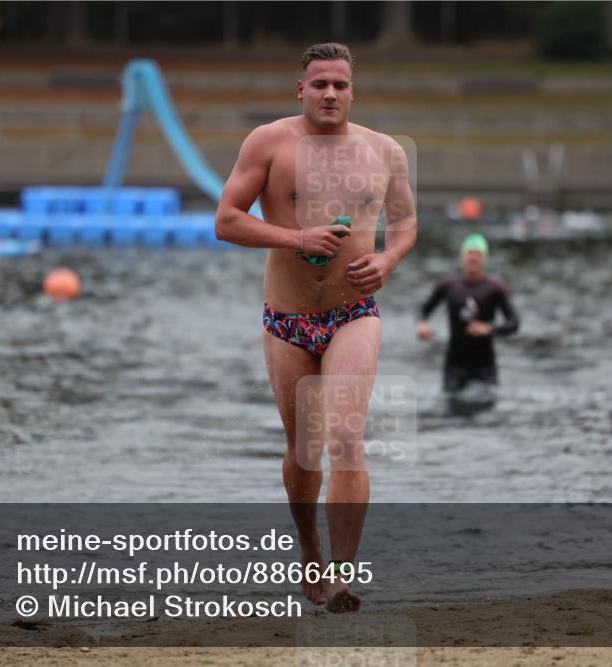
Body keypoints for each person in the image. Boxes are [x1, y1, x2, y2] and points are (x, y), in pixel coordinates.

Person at [214, 43, 417, 613]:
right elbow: (226, 220)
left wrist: (387, 261)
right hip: (287, 321)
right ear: (300, 90)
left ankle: (346, 577)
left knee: (347, 438)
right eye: (320, 83)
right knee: (303, 450)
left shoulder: (384, 151)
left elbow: (405, 223)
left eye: (340, 85)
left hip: (354, 313)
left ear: (354, 92)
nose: (331, 93)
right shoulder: (269, 143)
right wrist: (295, 238)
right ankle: (310, 552)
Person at [416, 233, 519, 392]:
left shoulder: (495, 288)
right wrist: (421, 323)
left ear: (484, 259)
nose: (473, 258)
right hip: (455, 365)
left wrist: (489, 328)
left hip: (485, 366)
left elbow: (514, 323)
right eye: (470, 254)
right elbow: (423, 308)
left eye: (478, 254)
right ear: (462, 258)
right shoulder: (448, 286)